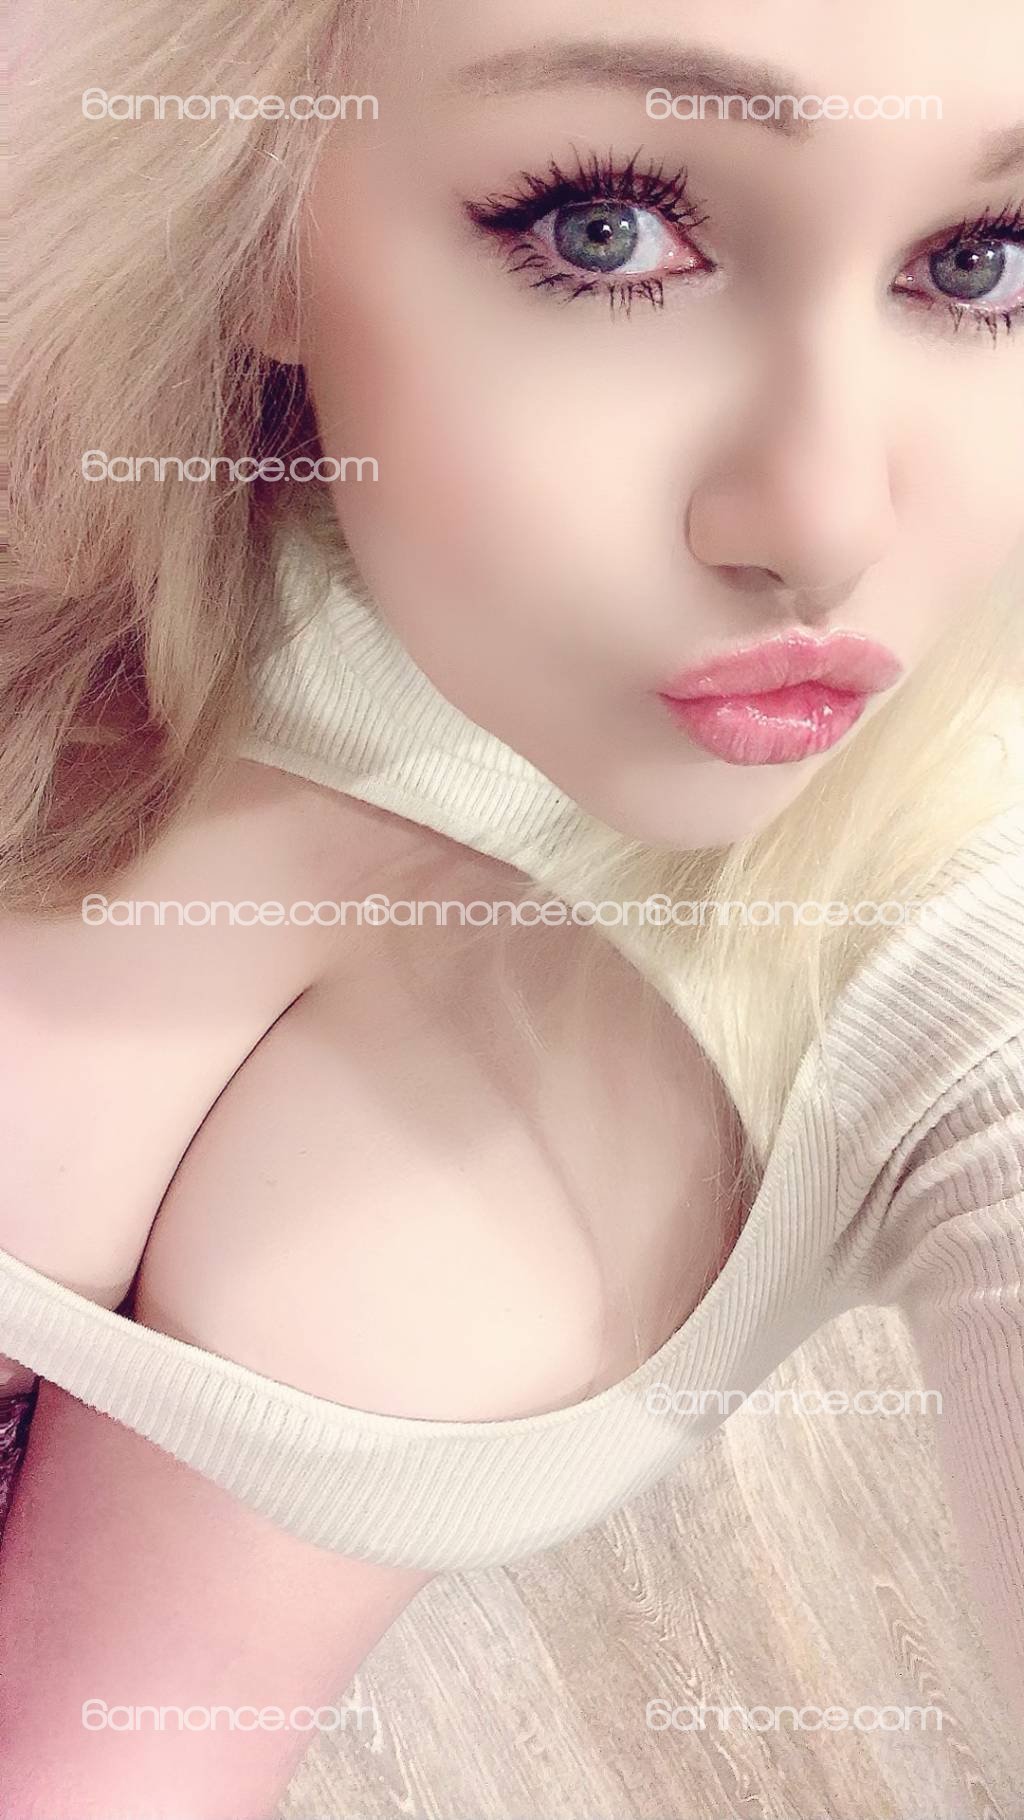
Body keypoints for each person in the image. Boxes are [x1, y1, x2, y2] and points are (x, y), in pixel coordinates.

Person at [2, 0, 1022, 1814]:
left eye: (987, 260)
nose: (821, 525)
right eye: (606, 228)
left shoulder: (965, 916)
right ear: (262, 208)